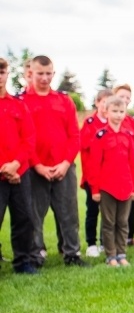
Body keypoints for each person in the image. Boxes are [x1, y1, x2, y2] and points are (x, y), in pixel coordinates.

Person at [20, 55, 87, 268]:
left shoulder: (63, 100)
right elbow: (23, 138)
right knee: (34, 216)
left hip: (63, 167)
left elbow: (74, 135)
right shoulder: (22, 102)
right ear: (30, 73)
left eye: (49, 73)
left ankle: (72, 254)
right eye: (40, 73)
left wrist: (66, 163)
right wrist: (37, 165)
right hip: (35, 169)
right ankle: (36, 254)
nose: (45, 78)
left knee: (69, 213)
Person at [86, 96, 134, 267]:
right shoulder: (101, 136)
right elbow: (94, 164)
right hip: (107, 187)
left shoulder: (128, 135)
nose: (118, 115)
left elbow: (133, 163)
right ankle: (111, 255)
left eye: (121, 111)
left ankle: (121, 253)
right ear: (106, 111)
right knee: (109, 223)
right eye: (114, 111)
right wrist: (95, 189)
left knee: (123, 222)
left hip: (125, 186)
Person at [0, 57, 38, 274]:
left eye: (2, 71)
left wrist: (15, 165)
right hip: (2, 173)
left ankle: (23, 262)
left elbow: (29, 139)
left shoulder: (18, 105)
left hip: (20, 172)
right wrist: (3, 168)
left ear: (7, 74)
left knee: (24, 219)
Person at [79, 88, 113, 257]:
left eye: (109, 103)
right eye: (103, 102)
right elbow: (85, 145)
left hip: (109, 177)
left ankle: (104, 242)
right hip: (92, 176)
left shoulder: (113, 123)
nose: (106, 106)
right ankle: (91, 243)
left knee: (108, 212)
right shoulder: (90, 122)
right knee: (92, 210)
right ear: (97, 103)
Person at [112, 84, 134, 247]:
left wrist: (133, 162)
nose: (124, 100)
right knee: (111, 208)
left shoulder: (132, 122)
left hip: (129, 172)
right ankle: (109, 241)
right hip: (112, 173)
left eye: (127, 98)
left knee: (131, 203)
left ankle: (130, 237)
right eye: (121, 96)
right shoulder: (111, 121)